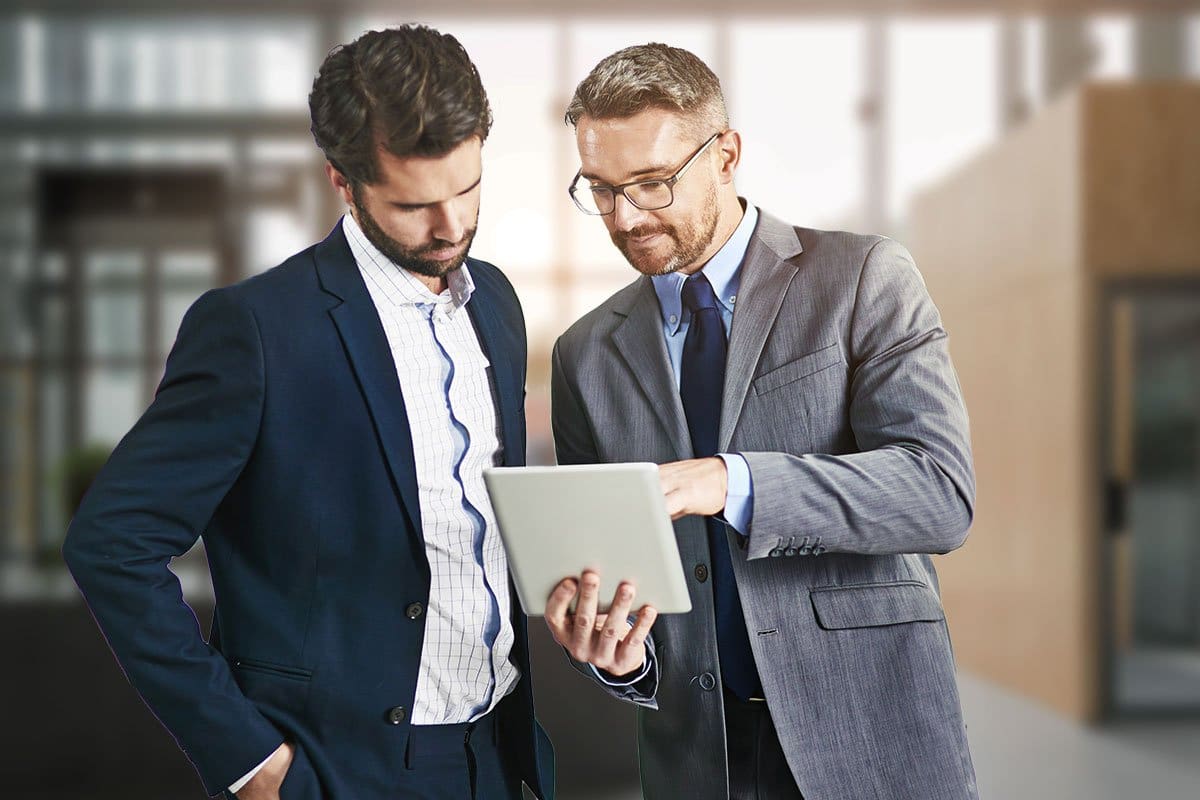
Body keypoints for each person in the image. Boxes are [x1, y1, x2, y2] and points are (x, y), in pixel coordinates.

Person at [62, 25, 553, 800]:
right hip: (335, 770)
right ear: (343, 182)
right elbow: (110, 542)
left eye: (467, 189)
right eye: (415, 205)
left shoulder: (494, 301)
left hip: (497, 757)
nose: (451, 226)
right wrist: (251, 762)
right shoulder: (254, 329)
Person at [544, 43, 978, 800]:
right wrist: (618, 658)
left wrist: (731, 481)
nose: (625, 217)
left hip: (868, 739)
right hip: (695, 760)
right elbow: (612, 576)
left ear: (726, 155)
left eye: (651, 184)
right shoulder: (586, 354)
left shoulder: (862, 277)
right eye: (602, 189)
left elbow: (939, 494)